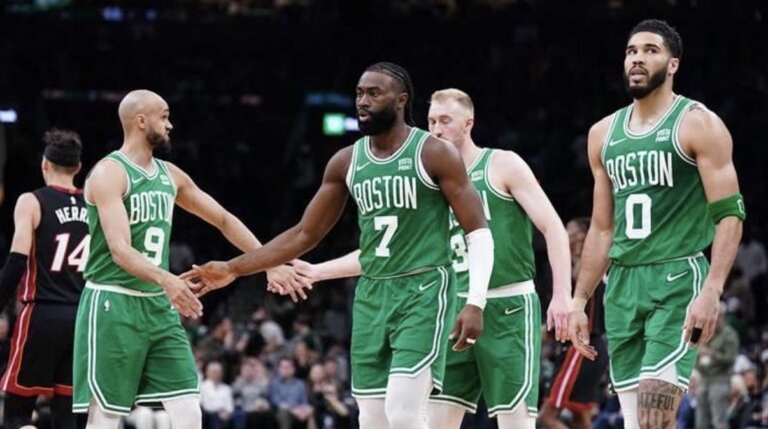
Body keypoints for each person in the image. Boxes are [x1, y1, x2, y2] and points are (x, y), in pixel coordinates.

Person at [186, 63, 494, 429]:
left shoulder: (435, 153)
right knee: (372, 419)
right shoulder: (346, 161)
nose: (362, 101)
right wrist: (235, 268)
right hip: (371, 295)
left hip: (425, 289)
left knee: (404, 413)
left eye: (374, 94)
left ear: (401, 100)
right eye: (359, 94)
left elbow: (479, 232)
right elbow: (304, 234)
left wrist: (476, 301)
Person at [285, 88, 571, 429]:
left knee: (515, 423)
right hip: (450, 310)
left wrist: (562, 295)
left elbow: (554, 227)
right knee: (435, 421)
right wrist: (318, 271)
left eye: (445, 120)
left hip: (506, 306)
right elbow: (388, 254)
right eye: (431, 121)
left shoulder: (502, 164)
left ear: (468, 123)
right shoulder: (428, 182)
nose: (435, 129)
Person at [71, 89, 297, 429]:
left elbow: (223, 219)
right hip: (113, 303)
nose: (170, 124)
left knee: (190, 412)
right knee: (105, 417)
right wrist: (168, 279)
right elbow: (119, 249)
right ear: (141, 120)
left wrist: (270, 262)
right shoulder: (109, 172)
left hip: (158, 307)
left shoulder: (170, 176)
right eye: (164, 116)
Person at [568, 19, 744, 429]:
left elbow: (730, 214)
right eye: (631, 51)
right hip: (623, 284)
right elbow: (601, 229)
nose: (638, 59)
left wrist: (712, 289)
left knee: (653, 417)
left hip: (678, 276)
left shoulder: (698, 123)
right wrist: (579, 300)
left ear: (673, 63)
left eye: (650, 50)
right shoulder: (603, 134)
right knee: (636, 422)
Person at [0, 129, 87, 429]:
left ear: (44, 165)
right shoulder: (97, 207)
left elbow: (15, 262)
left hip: (41, 314)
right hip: (82, 319)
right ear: (78, 168)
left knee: (16, 415)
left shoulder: (31, 201)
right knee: (67, 419)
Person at [539, 218, 609, 429]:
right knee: (581, 419)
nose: (565, 235)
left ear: (583, 237)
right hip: (592, 347)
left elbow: (578, 275)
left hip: (579, 348)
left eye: (570, 231)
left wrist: (581, 249)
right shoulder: (588, 267)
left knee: (546, 417)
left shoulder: (587, 267)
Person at [695, 301, 739, 429]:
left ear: (722, 316)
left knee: (718, 421)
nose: (712, 317)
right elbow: (694, 352)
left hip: (720, 380)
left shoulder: (729, 334)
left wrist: (711, 353)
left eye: (716, 314)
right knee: (701, 421)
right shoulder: (704, 331)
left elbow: (730, 358)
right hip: (703, 379)